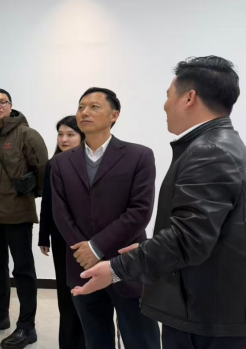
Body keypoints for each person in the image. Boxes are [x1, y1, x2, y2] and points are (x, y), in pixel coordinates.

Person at [73, 56, 246, 349]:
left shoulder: (209, 151)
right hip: (208, 304)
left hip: (204, 316)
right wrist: (148, 249)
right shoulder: (219, 144)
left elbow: (188, 239)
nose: (165, 105)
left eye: (168, 96)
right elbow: (205, 231)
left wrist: (116, 268)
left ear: (189, 98)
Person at [51, 88, 161, 349]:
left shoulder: (139, 155)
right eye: (81, 107)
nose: (84, 112)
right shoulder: (61, 163)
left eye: (94, 107)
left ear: (114, 115)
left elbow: (140, 211)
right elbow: (61, 212)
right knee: (95, 339)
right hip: (81, 265)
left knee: (141, 339)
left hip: (126, 263)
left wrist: (95, 248)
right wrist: (84, 251)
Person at [0, 88, 48, 349]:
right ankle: (0, 316)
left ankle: (27, 326)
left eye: (2, 102)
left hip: (18, 216)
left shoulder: (27, 134)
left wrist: (30, 194)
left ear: (11, 105)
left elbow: (43, 171)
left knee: (23, 271)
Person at [38, 116, 86, 349]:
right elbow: (47, 201)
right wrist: (43, 236)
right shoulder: (53, 163)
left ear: (82, 136)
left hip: (87, 238)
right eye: (60, 134)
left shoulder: (90, 163)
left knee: (86, 292)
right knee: (65, 292)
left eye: (70, 134)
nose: (64, 139)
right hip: (60, 237)